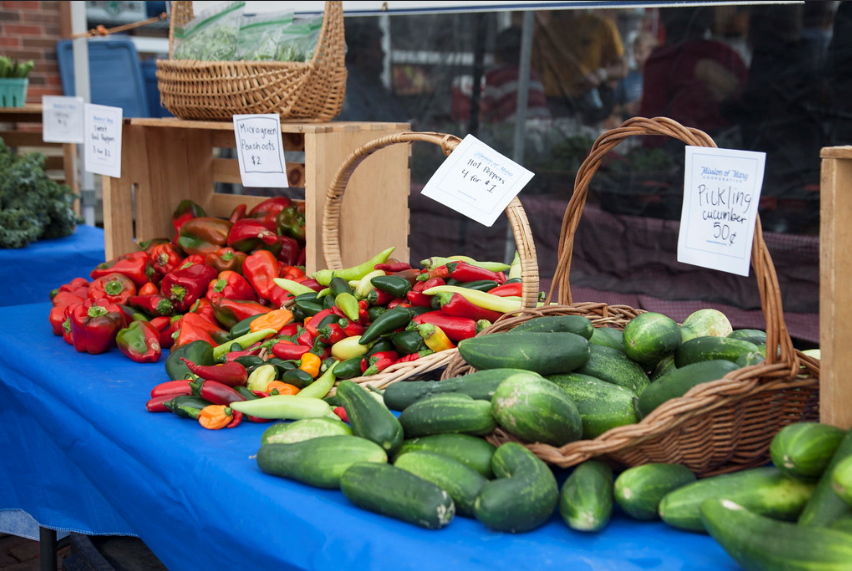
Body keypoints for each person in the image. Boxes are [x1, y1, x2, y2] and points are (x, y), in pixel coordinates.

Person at [638, 7, 747, 143]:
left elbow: (744, 105)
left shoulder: (724, 56)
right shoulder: (660, 60)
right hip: (678, 146)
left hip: (714, 146)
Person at [530, 9, 628, 126]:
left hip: (589, 102)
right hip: (554, 103)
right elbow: (532, 71)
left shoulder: (600, 26)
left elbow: (622, 67)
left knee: (589, 142)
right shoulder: (543, 32)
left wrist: (600, 74)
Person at [336, 18, 408, 122]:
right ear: (361, 53)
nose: (383, 54)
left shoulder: (374, 84)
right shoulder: (347, 87)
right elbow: (362, 128)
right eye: (377, 48)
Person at [480, 26, 551, 124]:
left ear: (498, 53)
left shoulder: (495, 76)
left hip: (516, 130)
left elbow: (486, 113)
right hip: (545, 127)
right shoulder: (531, 73)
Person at [613, 31, 658, 121]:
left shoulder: (659, 78)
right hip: (631, 130)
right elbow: (612, 108)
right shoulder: (627, 77)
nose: (636, 57)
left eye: (641, 52)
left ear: (652, 52)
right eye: (634, 52)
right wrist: (624, 108)